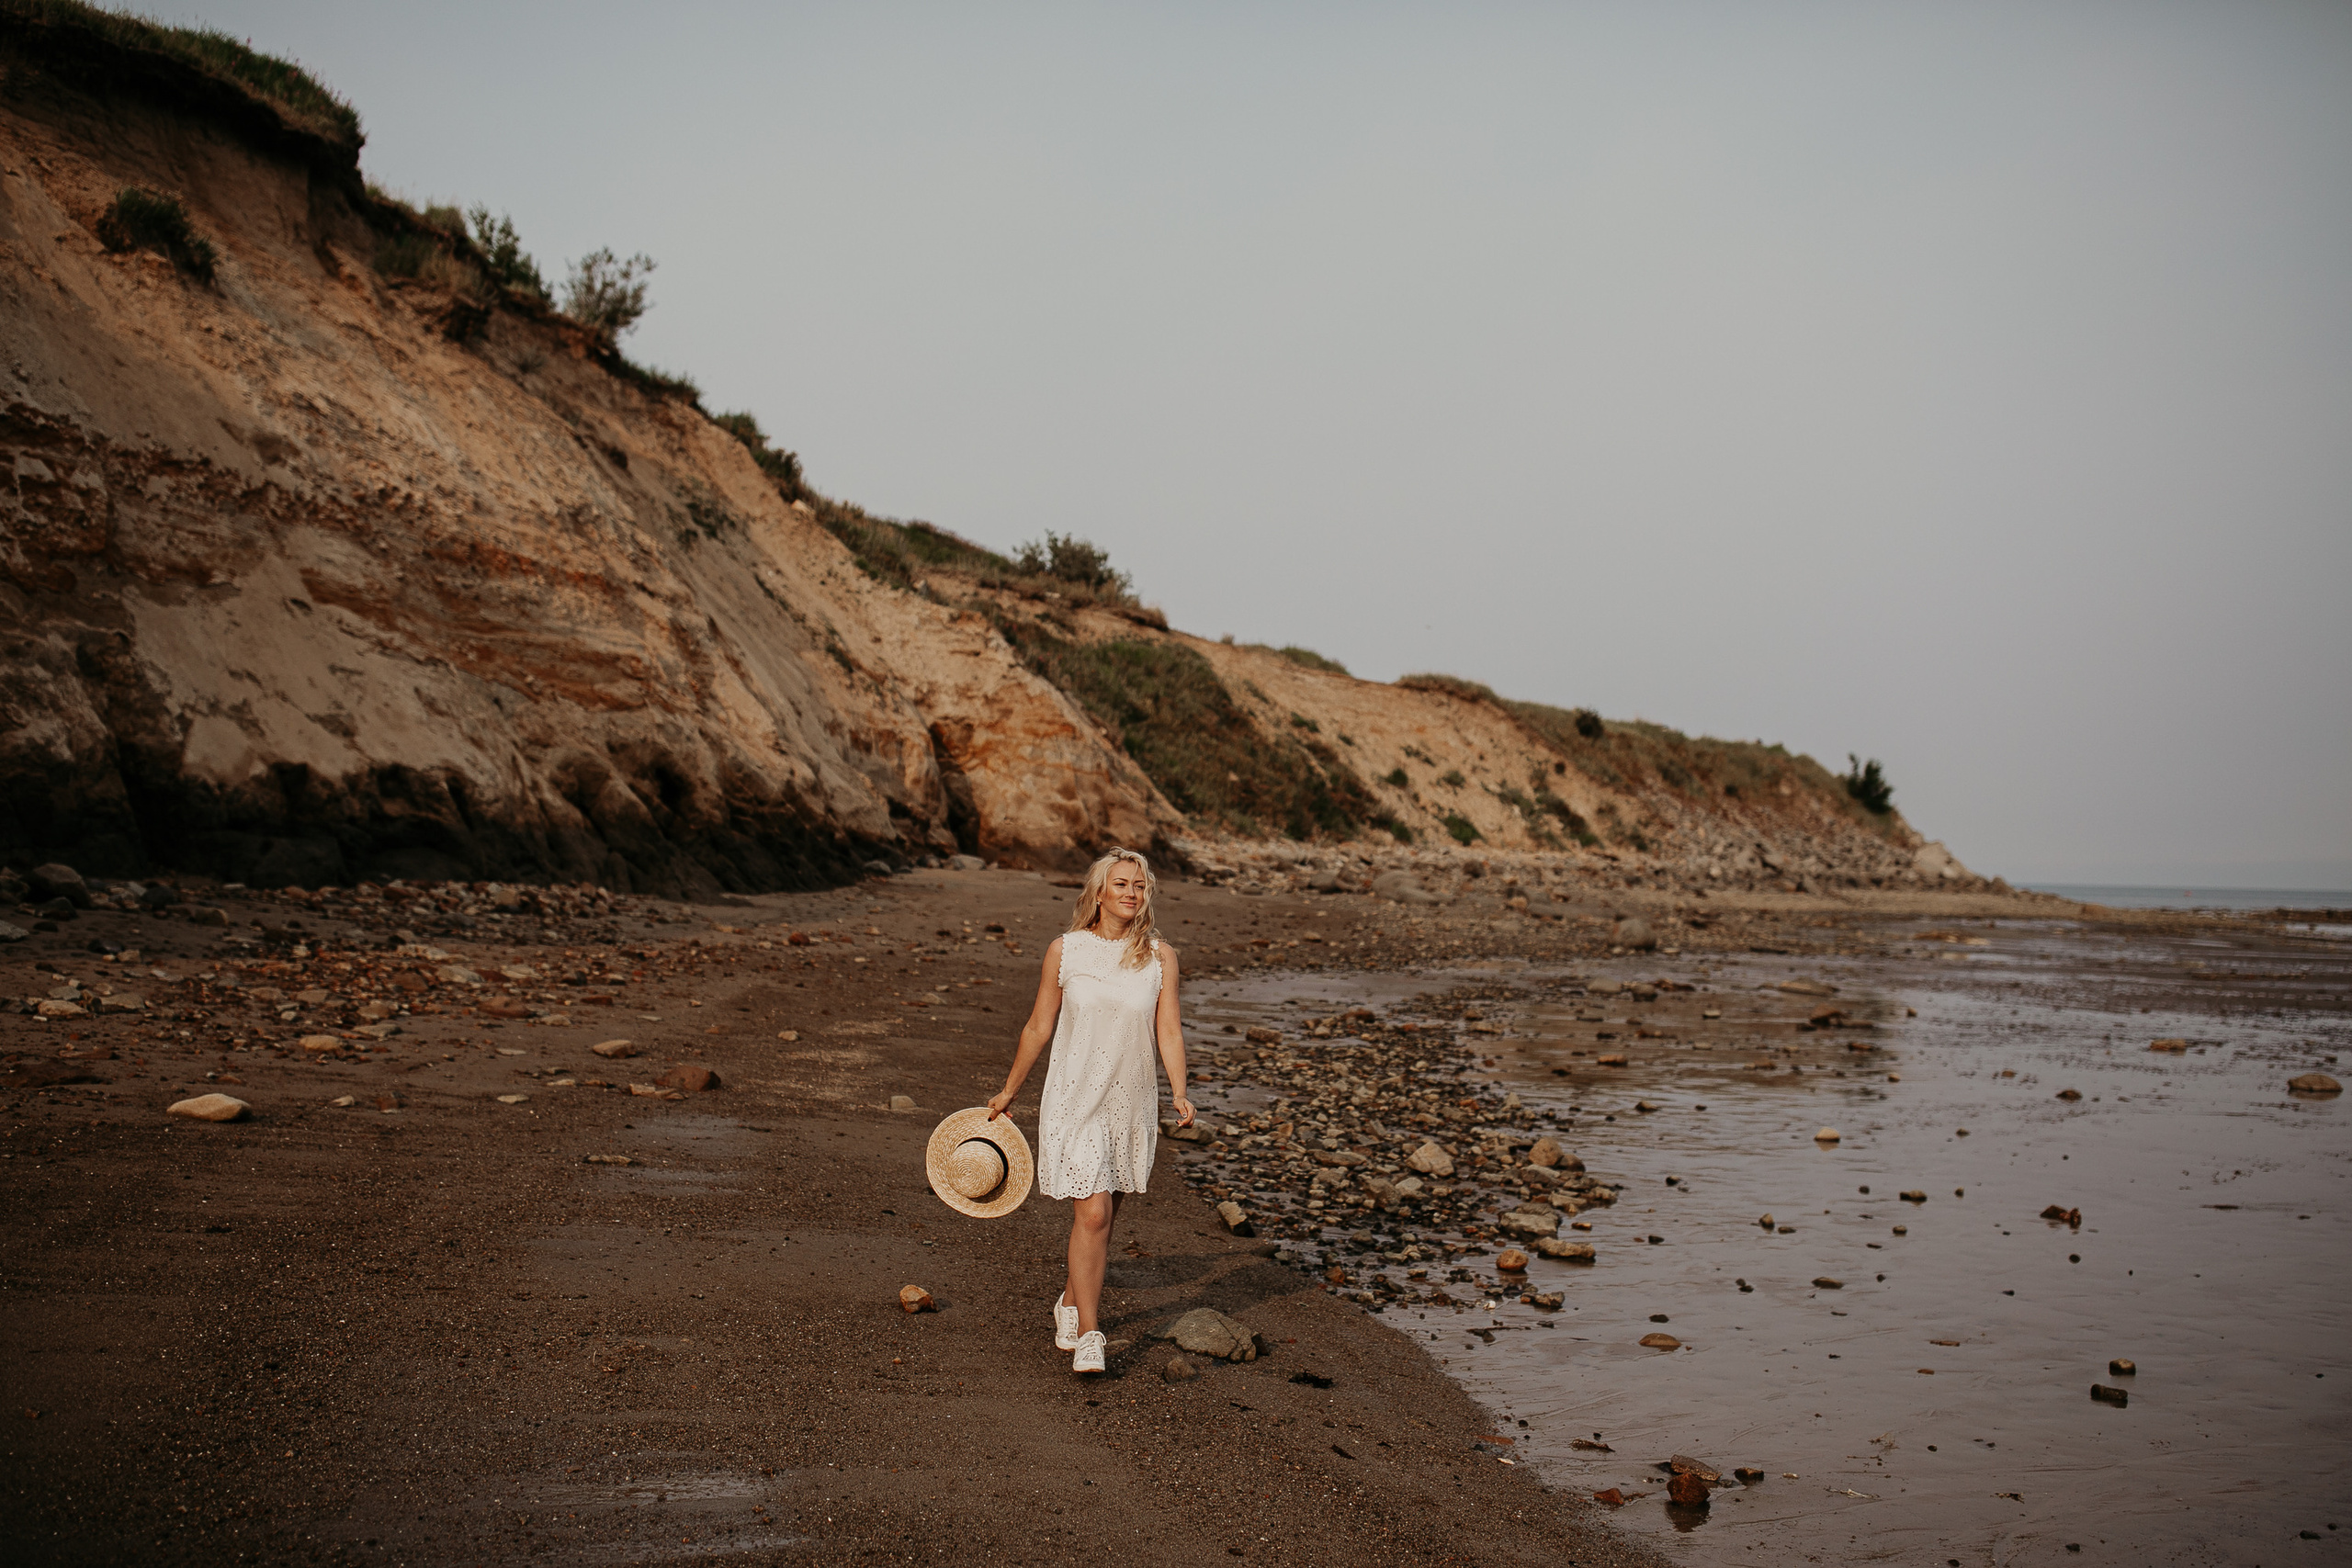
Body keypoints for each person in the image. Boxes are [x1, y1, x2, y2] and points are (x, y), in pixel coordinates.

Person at [987, 846, 1193, 1374]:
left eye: (1139, 886)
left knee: (1104, 1213)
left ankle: (1070, 1302)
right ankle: (1091, 1335)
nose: (1131, 893)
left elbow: (1168, 1028)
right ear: (1099, 892)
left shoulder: (1160, 956)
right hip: (1074, 1096)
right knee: (1095, 1212)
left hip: (1130, 1100)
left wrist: (1179, 1090)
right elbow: (1039, 1026)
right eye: (1121, 883)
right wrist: (1011, 1089)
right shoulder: (1066, 950)